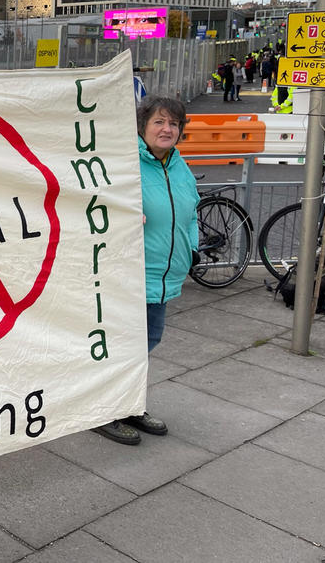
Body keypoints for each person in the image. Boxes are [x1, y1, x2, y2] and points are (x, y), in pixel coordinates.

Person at [93, 96, 199, 445]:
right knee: (125, 344)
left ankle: (128, 405)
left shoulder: (178, 165)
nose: (167, 129)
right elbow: (100, 206)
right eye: (159, 122)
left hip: (164, 275)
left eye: (174, 124)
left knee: (146, 343)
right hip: (131, 274)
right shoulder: (127, 164)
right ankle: (104, 410)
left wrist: (193, 247)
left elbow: (191, 209)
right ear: (143, 127)